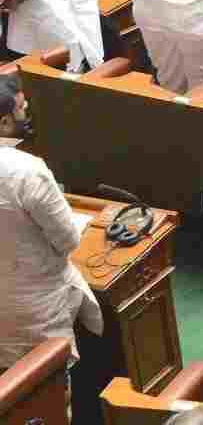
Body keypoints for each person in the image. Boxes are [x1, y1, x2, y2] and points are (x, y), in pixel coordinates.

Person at [0, 72, 104, 365]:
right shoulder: (27, 170)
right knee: (48, 395)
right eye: (21, 108)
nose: (27, 111)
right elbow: (68, 240)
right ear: (4, 122)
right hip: (36, 311)